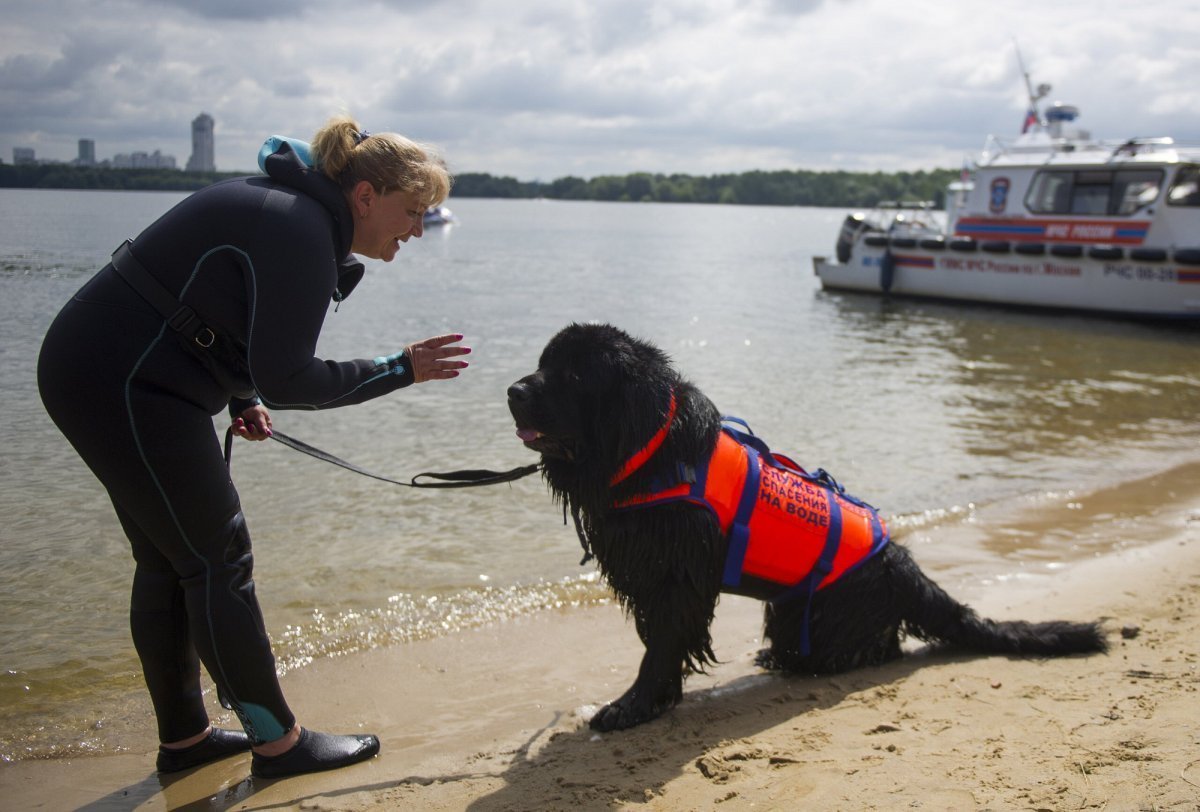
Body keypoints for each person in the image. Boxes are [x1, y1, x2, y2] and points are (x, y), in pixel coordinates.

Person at [37, 116, 470, 778]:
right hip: (129, 387)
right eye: (410, 212)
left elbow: (215, 308)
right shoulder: (298, 228)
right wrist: (401, 368)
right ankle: (278, 743)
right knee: (218, 559)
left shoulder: (294, 213)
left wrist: (243, 398)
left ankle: (185, 741)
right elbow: (292, 377)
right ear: (364, 197)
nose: (415, 229)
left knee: (172, 560)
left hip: (104, 374)